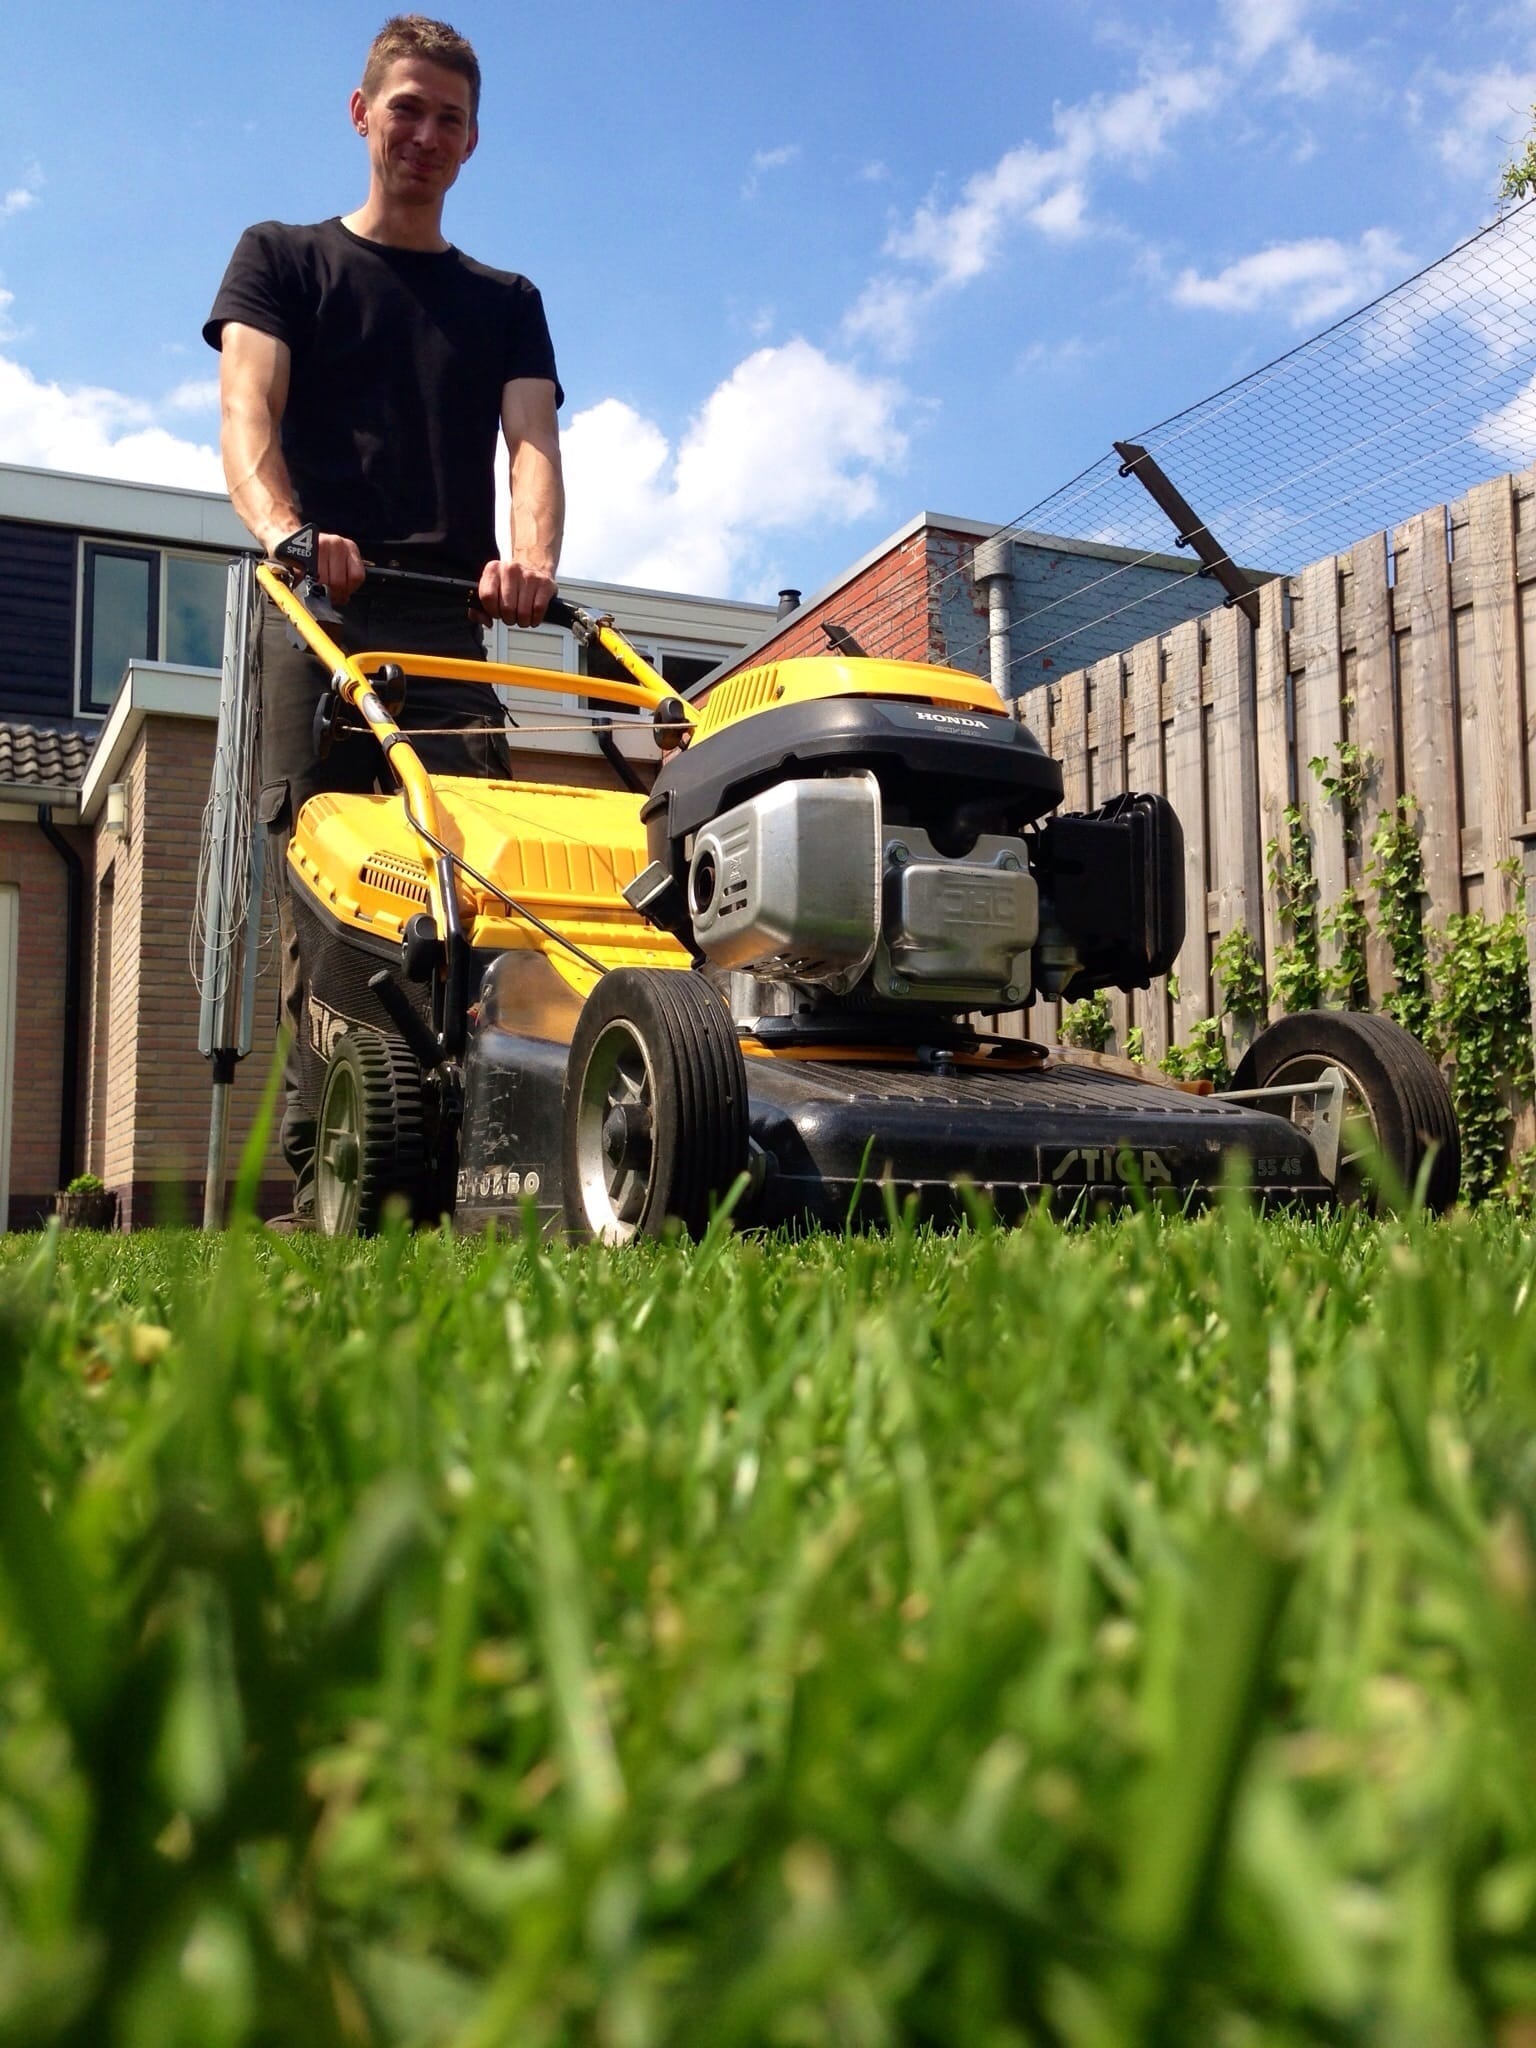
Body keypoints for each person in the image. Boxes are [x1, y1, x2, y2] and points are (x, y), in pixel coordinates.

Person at [204, 13, 564, 1225]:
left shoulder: (505, 301)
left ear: (473, 142)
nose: (424, 133)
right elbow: (247, 414)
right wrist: (290, 533)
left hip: (444, 623)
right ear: (361, 115)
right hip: (316, 609)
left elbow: (531, 444)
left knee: (484, 871)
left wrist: (531, 561)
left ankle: (494, 1150)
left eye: (448, 117)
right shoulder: (282, 258)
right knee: (326, 886)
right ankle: (331, 1173)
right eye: (405, 107)